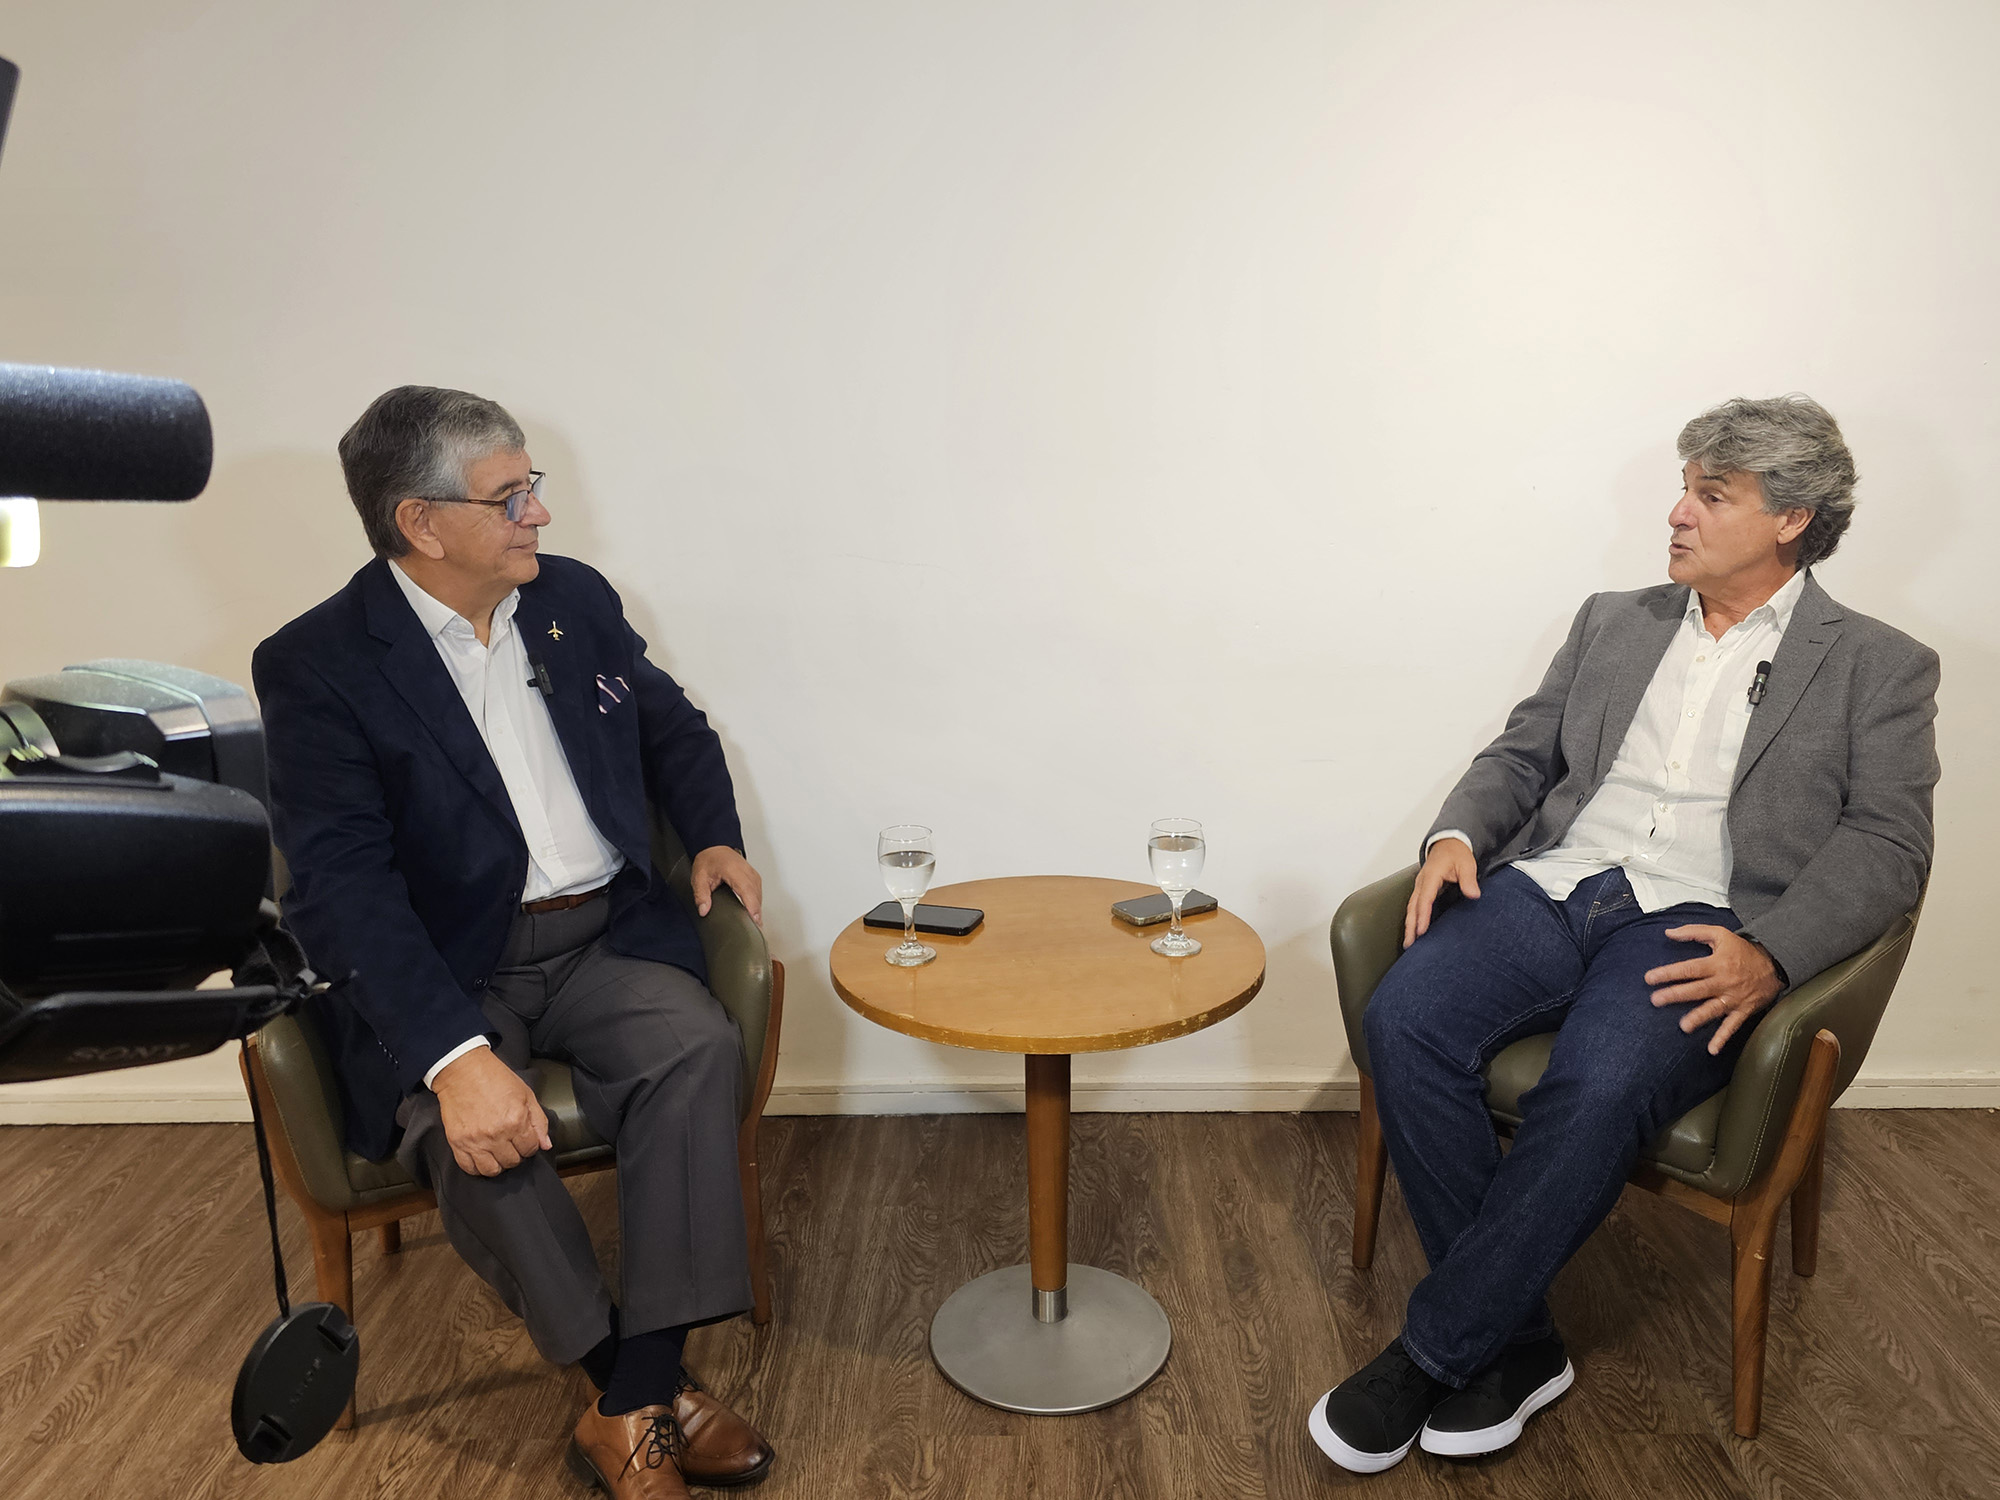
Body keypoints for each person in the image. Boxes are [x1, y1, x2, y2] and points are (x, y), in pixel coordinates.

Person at [1308, 395, 1940, 1474]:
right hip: (1560, 881)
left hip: (1706, 919)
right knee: (1404, 1017)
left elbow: (1888, 843)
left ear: (1790, 519)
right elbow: (1523, 753)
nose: (1677, 513)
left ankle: (1431, 1351)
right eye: (1683, 489)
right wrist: (1457, 834)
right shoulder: (1614, 620)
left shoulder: (1878, 665)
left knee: (1597, 1084)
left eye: (1711, 495)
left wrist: (1776, 953)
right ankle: (1519, 1343)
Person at [254, 386, 774, 1499]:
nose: (538, 513)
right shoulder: (317, 663)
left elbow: (672, 725)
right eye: (510, 496)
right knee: (472, 1134)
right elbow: (339, 888)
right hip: (446, 966)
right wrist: (454, 1059)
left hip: (602, 939)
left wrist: (714, 839)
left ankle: (633, 1397)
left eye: (531, 486)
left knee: (693, 1046)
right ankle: (637, 1391)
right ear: (421, 523)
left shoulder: (570, 599)